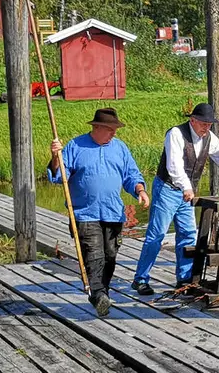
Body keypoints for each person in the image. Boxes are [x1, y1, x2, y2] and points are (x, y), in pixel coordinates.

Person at [49, 108, 149, 317]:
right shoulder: (76, 146)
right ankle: (97, 294)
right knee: (93, 254)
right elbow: (59, 177)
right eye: (110, 129)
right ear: (97, 128)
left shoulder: (120, 148)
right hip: (85, 213)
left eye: (115, 129)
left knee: (110, 256)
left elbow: (131, 174)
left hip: (113, 212)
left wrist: (140, 190)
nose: (114, 133)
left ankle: (102, 292)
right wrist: (55, 157)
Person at [132, 103, 219, 295]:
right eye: (203, 123)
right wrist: (186, 186)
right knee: (157, 234)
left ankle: (184, 280)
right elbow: (174, 166)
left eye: (209, 124)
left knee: (188, 234)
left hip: (187, 193)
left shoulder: (209, 138)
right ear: (192, 120)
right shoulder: (176, 134)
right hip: (168, 189)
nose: (207, 128)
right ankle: (140, 279)